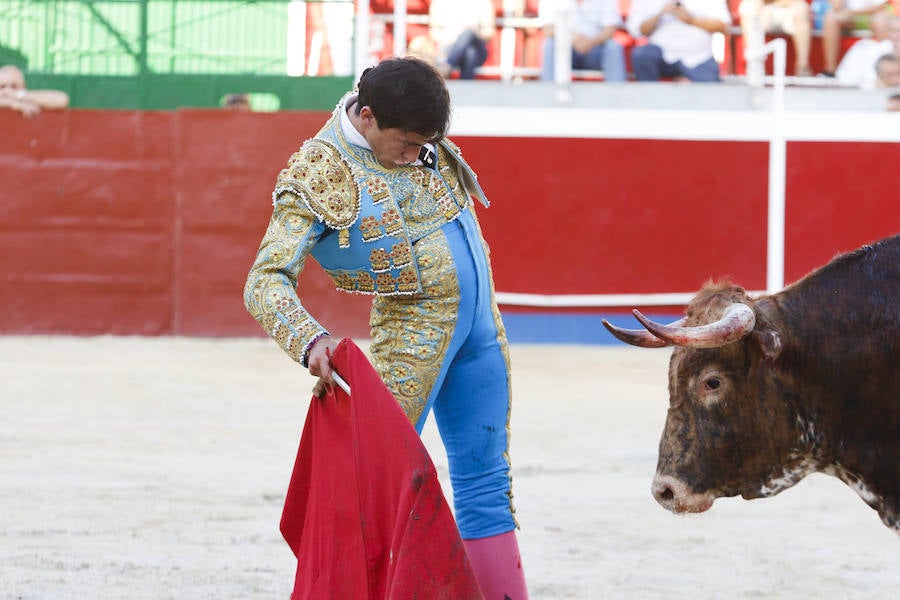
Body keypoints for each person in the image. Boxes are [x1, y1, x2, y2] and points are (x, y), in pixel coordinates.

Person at [243, 57, 529, 599]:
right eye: (407, 144)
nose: (418, 155)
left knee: (488, 480)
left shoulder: (410, 117)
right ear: (369, 117)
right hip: (413, 336)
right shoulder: (320, 168)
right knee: (367, 492)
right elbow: (264, 281)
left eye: (427, 143)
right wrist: (310, 339)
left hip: (481, 330)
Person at [626, 0, 732, 82]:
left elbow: (723, 26)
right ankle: (648, 100)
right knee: (642, 55)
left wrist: (691, 20)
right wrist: (660, 14)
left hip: (699, 56)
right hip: (661, 52)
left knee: (712, 94)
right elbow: (636, 29)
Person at [539, 0, 628, 82]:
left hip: (596, 48)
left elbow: (610, 28)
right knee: (550, 44)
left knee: (613, 47)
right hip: (565, 47)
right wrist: (571, 38)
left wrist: (591, 42)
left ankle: (617, 91)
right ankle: (549, 89)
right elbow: (548, 28)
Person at [738, 0, 813, 77]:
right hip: (764, 9)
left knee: (801, 8)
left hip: (789, 9)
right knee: (749, 6)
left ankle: (803, 67)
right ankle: (755, 64)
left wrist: (776, 4)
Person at [820, 0, 894, 77]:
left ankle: (885, 70)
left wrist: (851, 12)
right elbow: (836, 6)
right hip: (851, 18)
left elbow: (880, 6)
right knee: (831, 17)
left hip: (873, 15)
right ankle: (830, 70)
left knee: (880, 19)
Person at [428, 0, 496, 79]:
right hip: (450, 46)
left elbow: (489, 33)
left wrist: (472, 33)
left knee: (468, 33)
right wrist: (455, 39)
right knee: (470, 53)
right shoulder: (439, 3)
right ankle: (466, 83)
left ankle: (448, 65)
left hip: (477, 48)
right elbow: (434, 32)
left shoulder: (483, 3)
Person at [835, 15, 900, 87]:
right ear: (887, 32)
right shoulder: (864, 49)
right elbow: (843, 76)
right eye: (895, 31)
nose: (898, 35)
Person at [0, 65, 69, 118]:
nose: (7, 90)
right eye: (2, 86)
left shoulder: (25, 98)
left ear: (23, 87)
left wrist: (18, 95)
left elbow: (62, 100)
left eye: (13, 86)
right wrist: (13, 104)